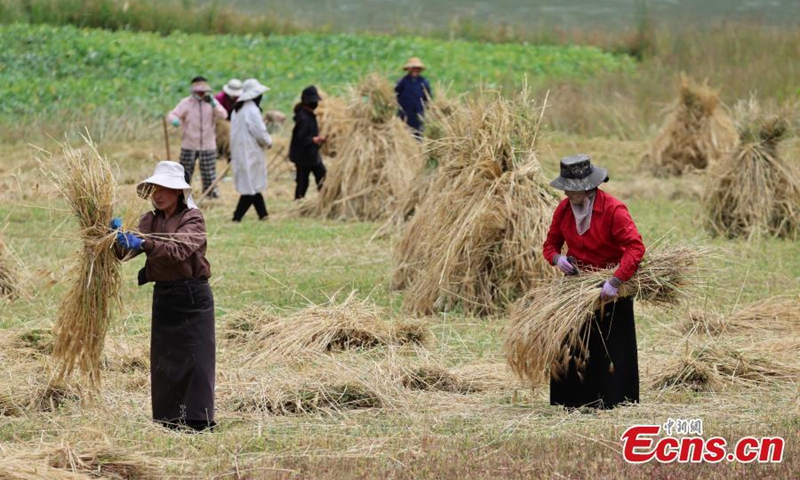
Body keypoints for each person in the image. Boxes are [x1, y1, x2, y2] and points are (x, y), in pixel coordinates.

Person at [112, 161, 216, 432]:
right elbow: (124, 254)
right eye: (155, 188)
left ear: (179, 192)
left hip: (193, 296)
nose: (158, 194)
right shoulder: (149, 220)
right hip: (165, 295)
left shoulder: (193, 218)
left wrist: (145, 243)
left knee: (196, 359)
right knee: (165, 359)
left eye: (165, 188)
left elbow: (178, 250)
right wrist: (115, 239)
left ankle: (197, 420)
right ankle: (168, 419)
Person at [542, 154, 645, 410]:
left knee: (610, 343)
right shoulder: (564, 210)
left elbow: (635, 248)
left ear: (588, 187)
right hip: (578, 288)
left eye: (572, 188)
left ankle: (614, 400)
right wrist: (557, 259)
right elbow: (550, 244)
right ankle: (572, 401)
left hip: (609, 286)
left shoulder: (613, 210)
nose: (567, 192)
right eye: (565, 187)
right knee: (573, 342)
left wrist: (616, 280)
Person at [166, 76, 228, 198]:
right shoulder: (186, 103)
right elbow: (172, 114)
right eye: (198, 91)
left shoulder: (212, 104)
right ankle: (182, 194)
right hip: (189, 143)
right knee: (185, 171)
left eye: (203, 91)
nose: (201, 94)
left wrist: (214, 103)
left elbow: (223, 115)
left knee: (209, 171)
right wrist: (175, 121)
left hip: (208, 144)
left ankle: (211, 194)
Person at [230, 78, 273, 222]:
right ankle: (237, 217)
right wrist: (268, 142)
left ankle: (263, 215)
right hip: (251, 152)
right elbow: (260, 132)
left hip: (241, 152)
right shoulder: (252, 110)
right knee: (250, 187)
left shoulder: (237, 109)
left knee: (252, 184)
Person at [289, 85, 327, 200]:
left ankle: (324, 200)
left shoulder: (307, 115)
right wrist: (314, 140)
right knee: (303, 182)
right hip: (304, 157)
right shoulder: (304, 118)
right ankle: (299, 203)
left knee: (321, 177)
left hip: (310, 155)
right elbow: (301, 138)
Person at [395, 57, 431, 135]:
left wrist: (427, 108)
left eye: (417, 68)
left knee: (418, 133)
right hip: (404, 112)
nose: (415, 70)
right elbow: (396, 94)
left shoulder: (424, 82)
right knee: (403, 132)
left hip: (418, 112)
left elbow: (428, 98)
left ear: (420, 70)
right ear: (409, 69)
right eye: (413, 68)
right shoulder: (402, 81)